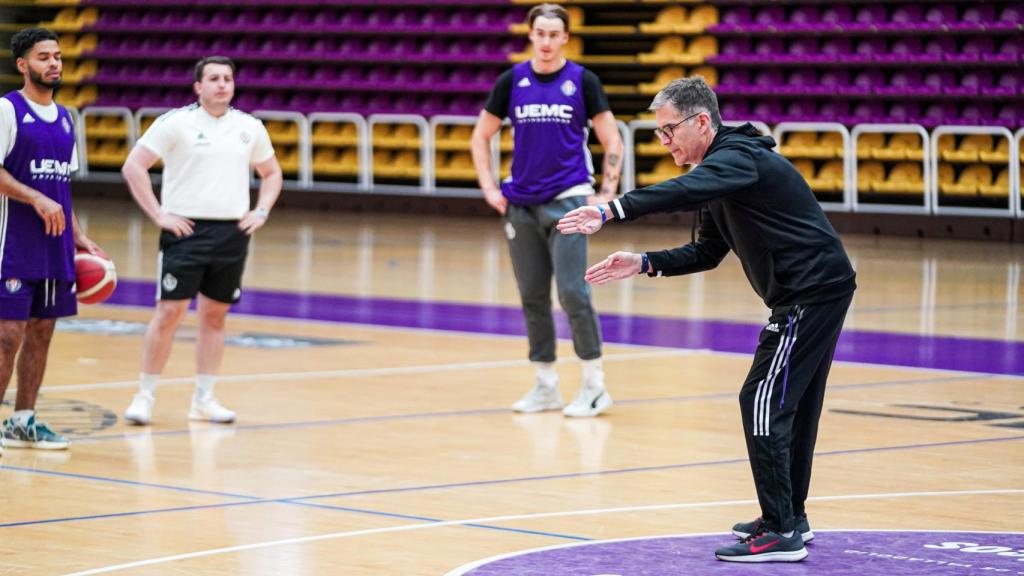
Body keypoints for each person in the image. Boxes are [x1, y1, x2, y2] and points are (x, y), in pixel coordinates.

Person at [557, 77, 857, 562]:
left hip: (811, 292)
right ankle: (789, 516)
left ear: (701, 122)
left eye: (668, 129)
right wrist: (644, 261)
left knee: (761, 400)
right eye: (658, 133)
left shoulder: (738, 159)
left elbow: (682, 191)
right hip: (818, 289)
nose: (664, 141)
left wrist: (612, 208)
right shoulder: (722, 174)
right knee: (788, 404)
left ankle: (781, 532)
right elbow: (707, 250)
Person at [470, 3, 623, 417]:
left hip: (570, 199)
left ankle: (594, 384)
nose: (547, 41)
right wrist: (489, 186)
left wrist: (605, 193)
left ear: (565, 39)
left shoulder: (583, 81)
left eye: (555, 34)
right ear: (531, 35)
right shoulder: (512, 80)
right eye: (541, 33)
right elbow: (480, 135)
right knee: (532, 296)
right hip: (520, 204)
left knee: (573, 290)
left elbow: (612, 140)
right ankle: (546, 384)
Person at [120, 56, 282, 425]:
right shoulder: (176, 123)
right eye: (213, 78)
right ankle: (144, 396)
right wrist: (159, 214)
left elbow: (271, 173)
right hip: (185, 230)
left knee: (215, 317)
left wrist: (261, 211)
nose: (222, 84)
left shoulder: (249, 127)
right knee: (169, 313)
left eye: (227, 78)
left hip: (231, 233)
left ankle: (204, 398)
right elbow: (133, 166)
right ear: (198, 86)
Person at [0, 28, 100, 451]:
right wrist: (34, 196)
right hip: (13, 243)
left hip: (55, 246)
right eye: (44, 57)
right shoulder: (7, 110)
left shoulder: (66, 118)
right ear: (23, 65)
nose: (55, 63)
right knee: (8, 335)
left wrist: (79, 237)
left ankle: (24, 420)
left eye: (58, 56)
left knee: (42, 332)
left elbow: (62, 187)